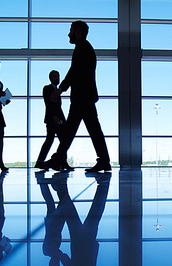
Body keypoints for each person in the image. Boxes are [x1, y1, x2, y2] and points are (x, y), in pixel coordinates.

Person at [41, 20, 111, 173]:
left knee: (73, 130)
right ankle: (102, 160)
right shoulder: (86, 48)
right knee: (81, 129)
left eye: (71, 30)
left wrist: (60, 89)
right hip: (85, 96)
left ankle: (59, 158)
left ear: (77, 31)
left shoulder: (82, 47)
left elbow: (75, 71)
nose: (68, 34)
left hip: (82, 97)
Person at [35, 70, 73, 171]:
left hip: (59, 119)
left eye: (58, 76)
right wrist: (54, 116)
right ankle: (40, 161)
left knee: (63, 141)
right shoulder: (47, 88)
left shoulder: (56, 90)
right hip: (52, 119)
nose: (57, 78)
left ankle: (63, 162)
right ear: (50, 78)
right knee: (50, 140)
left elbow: (57, 107)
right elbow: (49, 104)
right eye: (55, 76)